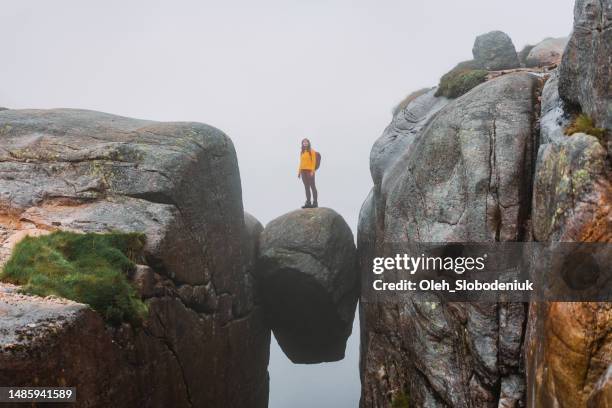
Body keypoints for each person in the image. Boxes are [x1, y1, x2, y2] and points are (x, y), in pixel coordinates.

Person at [298, 138, 318, 208]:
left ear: (308, 143)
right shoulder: (302, 152)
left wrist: (312, 171)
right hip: (303, 171)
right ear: (302, 144)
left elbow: (314, 162)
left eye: (306, 142)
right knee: (306, 187)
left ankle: (315, 202)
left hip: (309, 171)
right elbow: (301, 162)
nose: (305, 143)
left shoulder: (312, 151)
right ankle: (308, 202)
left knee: (312, 186)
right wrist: (299, 172)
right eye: (304, 142)